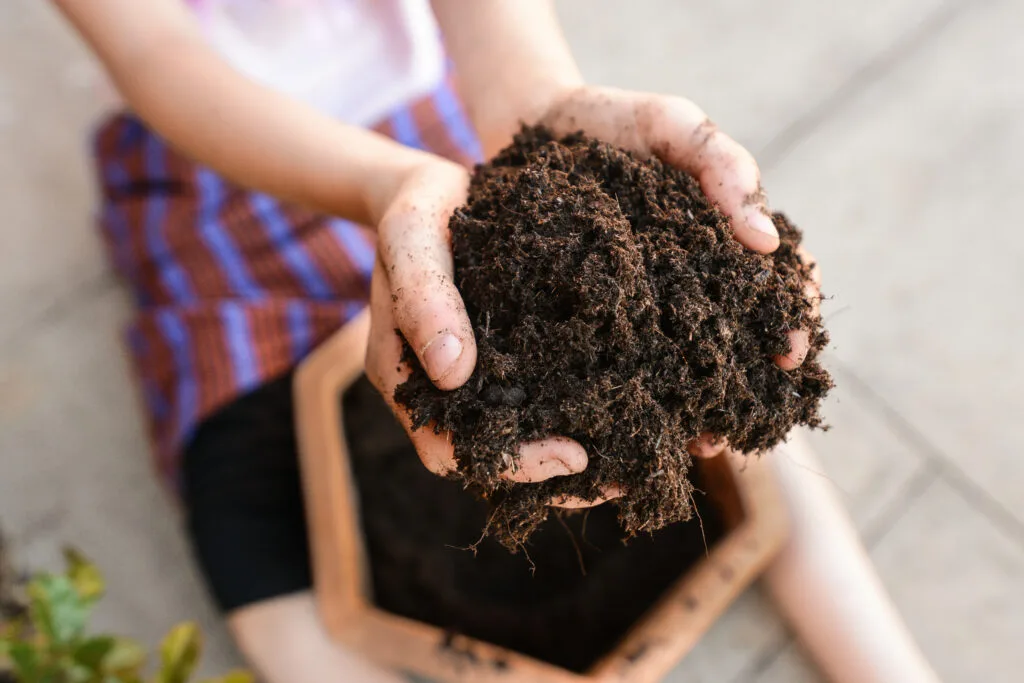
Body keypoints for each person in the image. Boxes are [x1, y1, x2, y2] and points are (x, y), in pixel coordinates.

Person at [52, 1, 938, 681]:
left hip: (437, 111)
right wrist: (379, 182)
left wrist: (541, 99)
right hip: (222, 166)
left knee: (726, 406)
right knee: (248, 514)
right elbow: (150, 49)